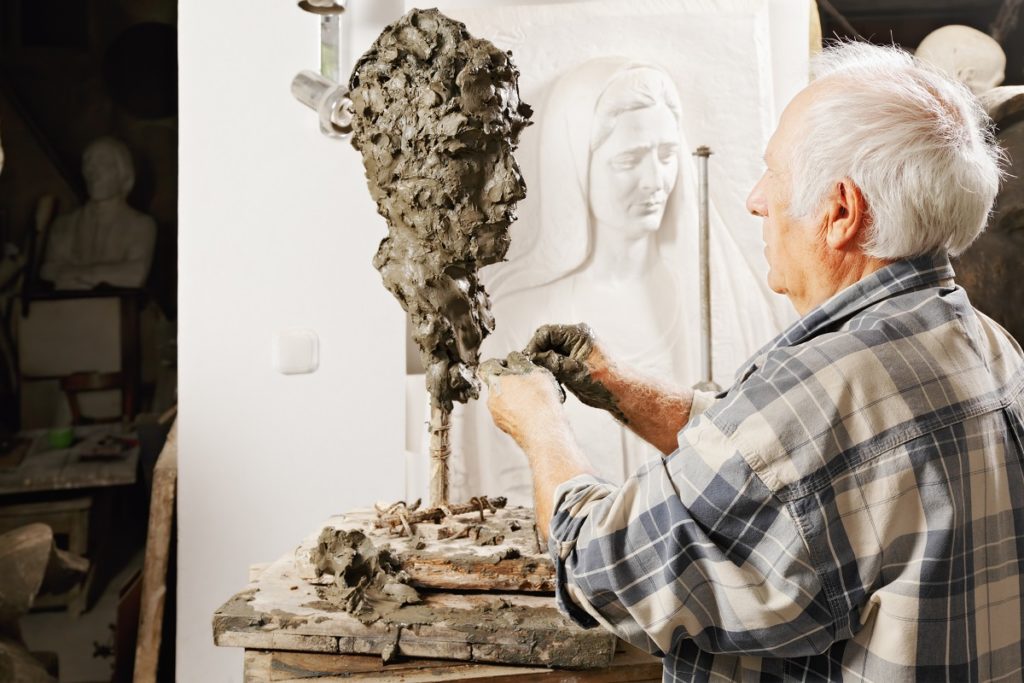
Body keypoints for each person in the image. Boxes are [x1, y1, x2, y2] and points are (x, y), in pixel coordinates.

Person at [480, 41, 1023, 681]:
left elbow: (598, 562)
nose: (755, 200)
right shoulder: (987, 343)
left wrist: (542, 428)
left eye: (774, 173)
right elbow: (795, 466)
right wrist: (620, 389)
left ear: (840, 213)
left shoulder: (821, 393)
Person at [451, 59, 785, 503]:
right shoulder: (518, 315)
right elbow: (507, 488)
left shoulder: (722, 300)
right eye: (629, 160)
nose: (655, 182)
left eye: (667, 156)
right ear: (575, 165)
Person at [40, 137, 156, 290]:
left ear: (123, 172)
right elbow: (48, 271)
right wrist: (107, 274)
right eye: (88, 163)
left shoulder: (141, 225)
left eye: (103, 164)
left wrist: (81, 274)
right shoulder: (65, 224)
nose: (93, 171)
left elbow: (135, 275)